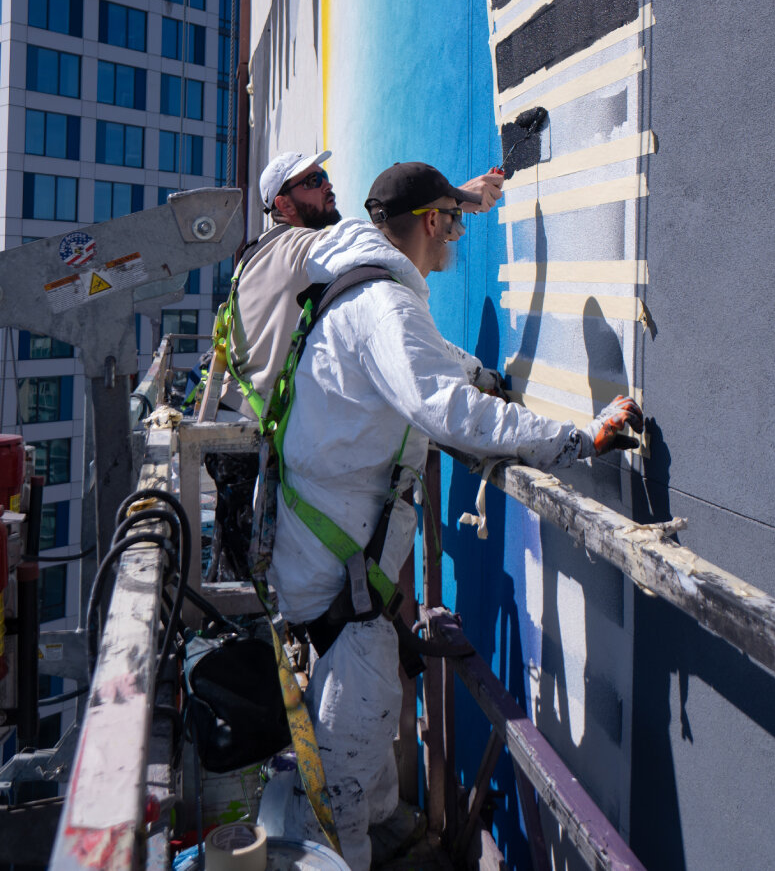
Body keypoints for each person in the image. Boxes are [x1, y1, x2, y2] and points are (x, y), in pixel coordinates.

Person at [271, 161, 643, 867]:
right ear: (432, 222)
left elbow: (430, 363)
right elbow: (441, 408)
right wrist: (574, 439)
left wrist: (483, 376)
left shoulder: (362, 286)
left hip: (330, 586)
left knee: (365, 773)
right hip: (344, 607)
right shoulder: (383, 303)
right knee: (341, 806)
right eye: (456, 219)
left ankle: (386, 833)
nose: (459, 235)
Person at [223, 150, 505, 415]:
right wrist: (451, 202)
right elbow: (391, 236)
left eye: (324, 175)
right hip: (259, 429)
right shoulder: (291, 249)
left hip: (255, 419)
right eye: (312, 181)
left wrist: (446, 204)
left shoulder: (266, 251)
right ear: (283, 204)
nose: (326, 185)